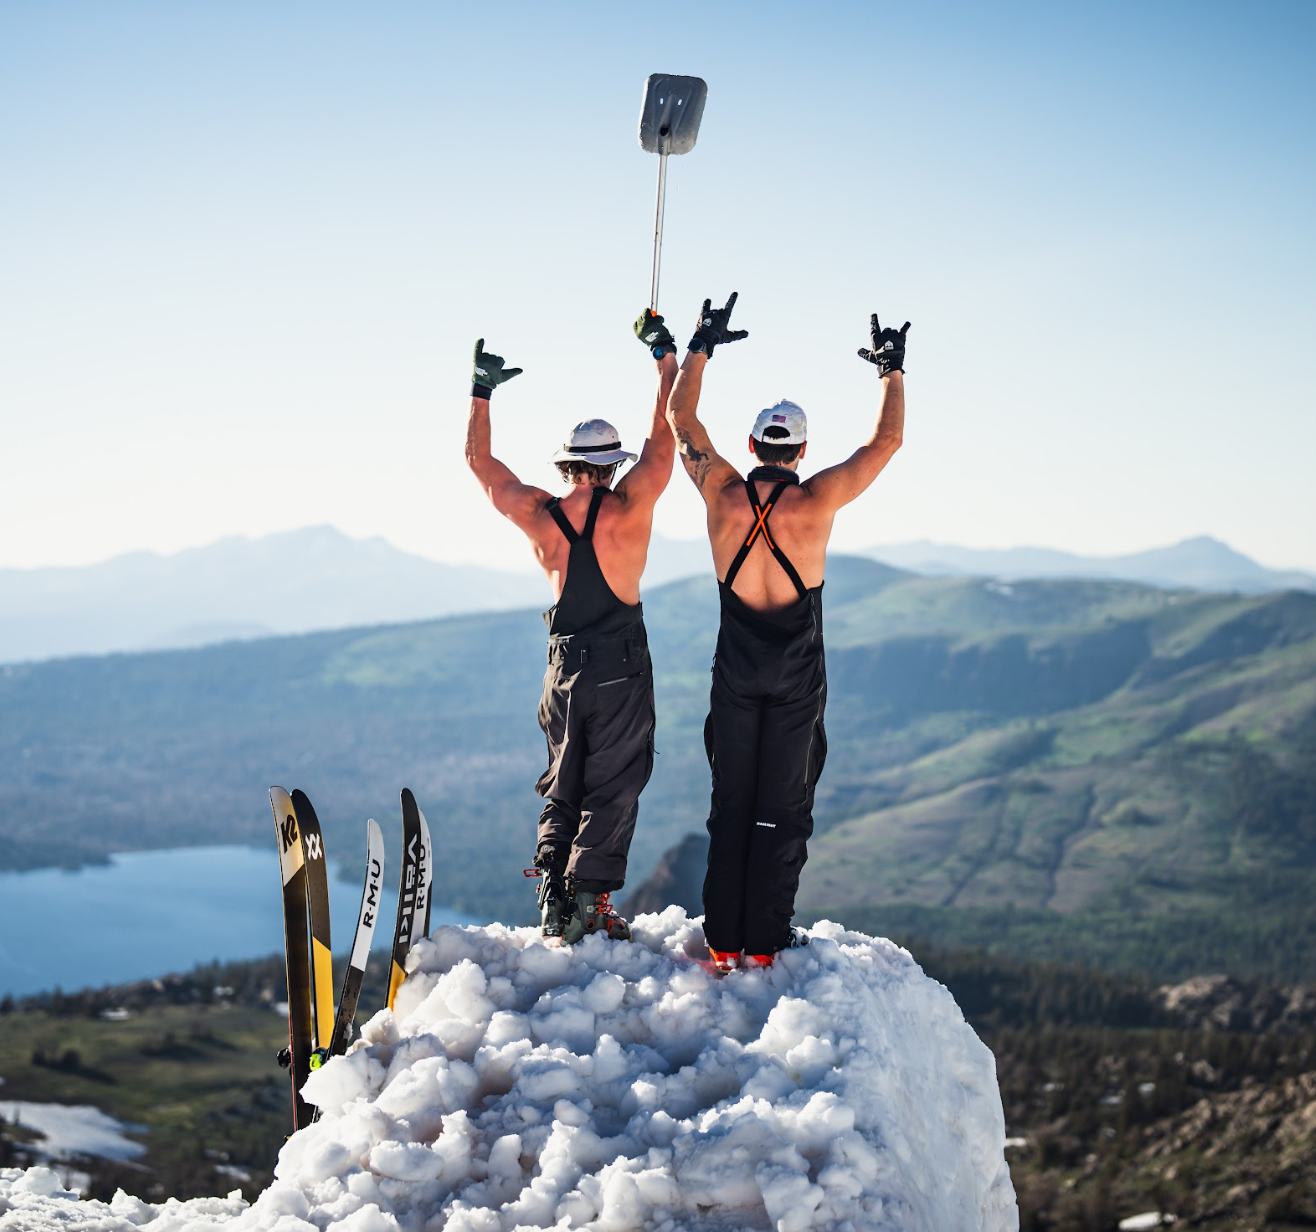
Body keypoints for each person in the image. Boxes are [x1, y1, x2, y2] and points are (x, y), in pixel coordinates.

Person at [665, 294, 909, 971]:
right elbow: (885, 444)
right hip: (797, 677)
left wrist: (702, 343)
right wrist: (891, 371)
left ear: (750, 446)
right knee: (782, 807)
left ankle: (722, 940)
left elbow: (678, 418)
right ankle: (765, 944)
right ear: (801, 451)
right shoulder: (816, 500)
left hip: (736, 673)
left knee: (731, 803)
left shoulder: (720, 492)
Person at [463, 315, 680, 944]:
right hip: (619, 663)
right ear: (611, 466)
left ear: (567, 467)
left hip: (562, 666)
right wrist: (665, 358)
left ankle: (552, 898)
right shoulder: (631, 506)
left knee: (564, 777)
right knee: (614, 781)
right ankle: (589, 907)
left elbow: (480, 462)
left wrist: (482, 390)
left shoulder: (539, 516)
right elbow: (667, 436)